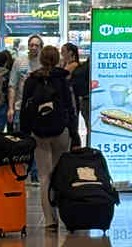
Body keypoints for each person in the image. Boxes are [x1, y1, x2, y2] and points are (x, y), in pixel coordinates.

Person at [19, 46, 81, 230]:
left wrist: (25, 134)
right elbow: (71, 108)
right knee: (59, 173)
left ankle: (49, 220)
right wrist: (74, 133)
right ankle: (63, 214)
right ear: (56, 59)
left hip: (39, 132)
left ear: (40, 59)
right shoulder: (62, 79)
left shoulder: (32, 80)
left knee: (44, 176)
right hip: (60, 130)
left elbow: (24, 108)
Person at [8, 34, 44, 182]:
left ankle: (35, 173)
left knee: (37, 141)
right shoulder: (19, 61)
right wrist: (11, 107)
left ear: (41, 47)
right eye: (31, 44)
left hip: (39, 109)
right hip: (20, 107)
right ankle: (20, 171)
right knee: (21, 141)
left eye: (36, 45)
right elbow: (12, 85)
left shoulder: (44, 63)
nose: (33, 47)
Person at [62, 43, 90, 141]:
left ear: (70, 53)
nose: (62, 54)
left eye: (63, 51)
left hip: (73, 99)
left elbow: (62, 78)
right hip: (74, 99)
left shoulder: (72, 65)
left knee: (73, 125)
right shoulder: (68, 65)